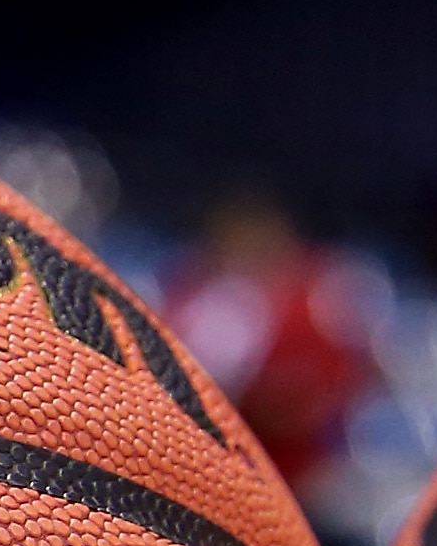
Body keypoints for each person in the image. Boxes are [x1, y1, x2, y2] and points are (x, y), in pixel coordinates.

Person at [163, 194, 381, 484]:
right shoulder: (207, 302)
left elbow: (368, 372)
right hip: (222, 468)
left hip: (310, 471)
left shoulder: (320, 296)